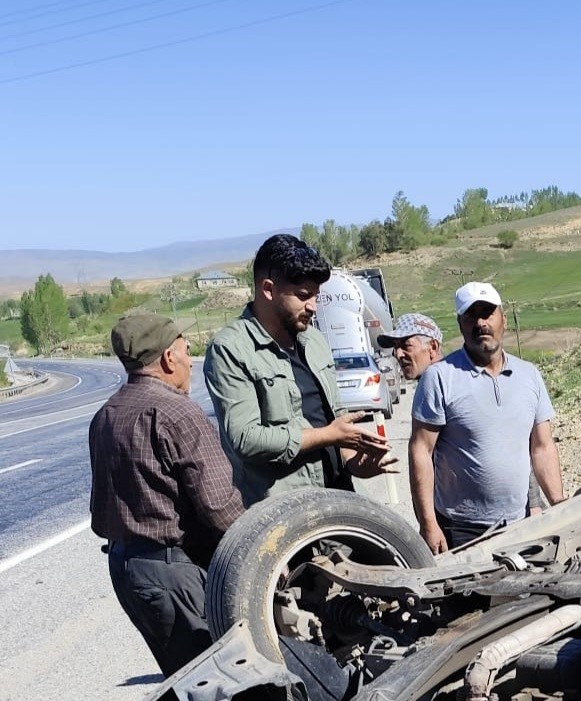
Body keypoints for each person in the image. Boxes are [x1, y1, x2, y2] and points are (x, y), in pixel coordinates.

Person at [88, 313, 245, 676]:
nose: (191, 361)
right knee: (220, 681)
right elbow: (221, 509)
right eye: (187, 351)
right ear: (167, 358)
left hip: (125, 567)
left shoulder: (106, 415)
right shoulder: (178, 412)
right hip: (173, 572)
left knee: (180, 676)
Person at [204, 234, 394, 504]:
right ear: (268, 289)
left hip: (341, 501)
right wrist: (327, 435)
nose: (313, 307)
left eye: (317, 296)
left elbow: (334, 419)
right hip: (287, 516)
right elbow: (245, 438)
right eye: (304, 296)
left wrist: (358, 464)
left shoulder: (314, 341)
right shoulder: (231, 349)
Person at [409, 282, 566, 552]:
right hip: (461, 529)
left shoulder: (529, 375)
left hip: (520, 522)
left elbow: (542, 447)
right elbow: (421, 451)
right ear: (460, 324)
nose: (481, 323)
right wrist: (428, 524)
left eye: (488, 313)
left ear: (503, 318)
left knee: (526, 593)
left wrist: (559, 504)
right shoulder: (440, 377)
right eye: (471, 315)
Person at [376, 312, 443, 382]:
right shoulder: (437, 383)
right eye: (395, 347)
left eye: (407, 345)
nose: (398, 355)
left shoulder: (443, 386)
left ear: (433, 347)